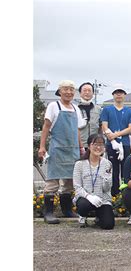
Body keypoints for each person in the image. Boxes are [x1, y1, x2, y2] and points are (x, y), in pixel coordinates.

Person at [38, 80, 84, 224]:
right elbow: (46, 127)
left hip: (73, 150)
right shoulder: (53, 106)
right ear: (60, 91)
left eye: (71, 89)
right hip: (57, 148)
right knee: (52, 182)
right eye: (66, 89)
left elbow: (77, 129)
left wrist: (81, 147)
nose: (69, 92)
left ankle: (67, 210)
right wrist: (42, 146)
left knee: (70, 182)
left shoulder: (76, 108)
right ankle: (49, 212)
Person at [73, 134, 114, 229]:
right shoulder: (79, 164)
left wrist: (107, 178)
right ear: (89, 146)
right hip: (86, 198)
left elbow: (107, 188)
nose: (98, 147)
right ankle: (82, 216)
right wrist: (89, 196)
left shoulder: (107, 164)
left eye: (101, 144)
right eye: (95, 144)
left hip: (102, 200)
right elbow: (77, 187)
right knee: (83, 205)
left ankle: (99, 218)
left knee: (108, 225)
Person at [100, 85, 131, 196]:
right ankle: (114, 195)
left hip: (124, 144)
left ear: (125, 95)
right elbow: (104, 126)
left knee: (126, 170)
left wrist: (116, 134)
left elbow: (130, 128)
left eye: (121, 92)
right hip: (111, 145)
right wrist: (112, 139)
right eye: (116, 92)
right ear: (113, 95)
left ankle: (125, 195)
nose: (119, 94)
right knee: (113, 171)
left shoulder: (129, 111)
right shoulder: (107, 110)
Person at [77, 82, 102, 152]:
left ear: (93, 93)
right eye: (84, 90)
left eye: (89, 91)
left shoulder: (98, 109)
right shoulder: (75, 109)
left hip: (95, 145)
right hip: (79, 145)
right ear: (80, 93)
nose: (87, 93)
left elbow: (101, 127)